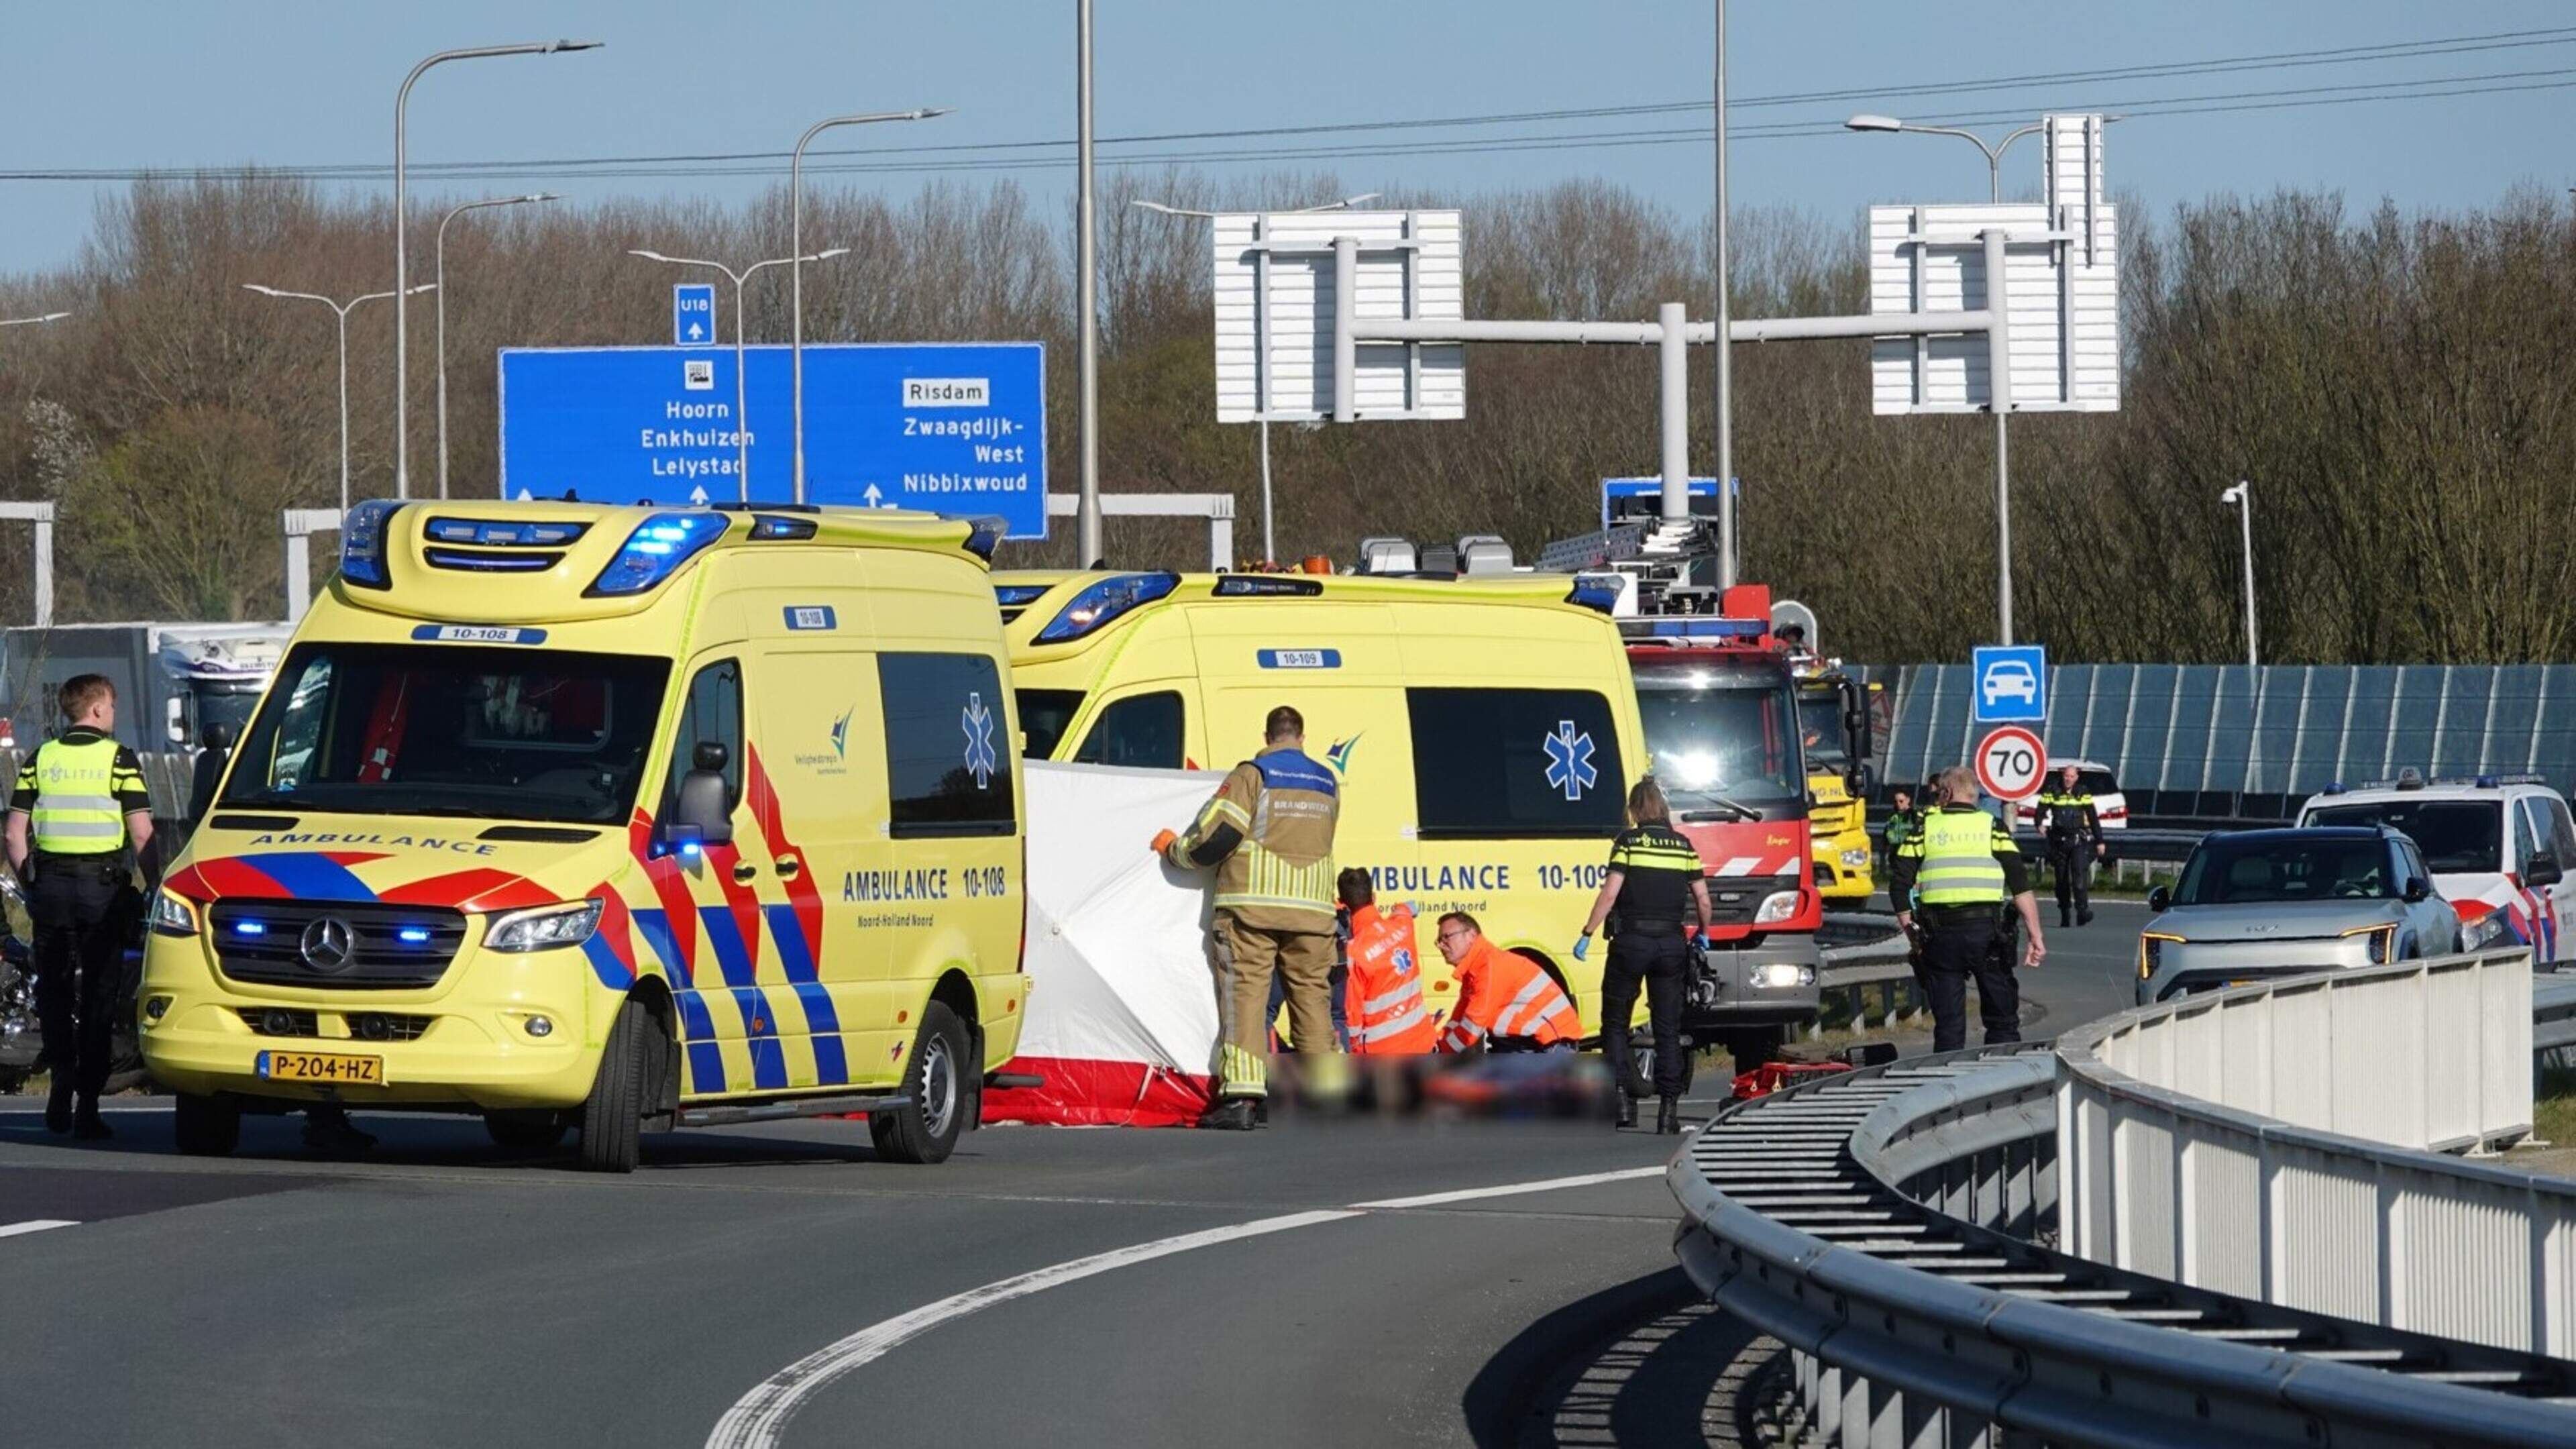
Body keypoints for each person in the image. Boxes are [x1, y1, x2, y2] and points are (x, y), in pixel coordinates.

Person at [1152, 704, 1340, 1130]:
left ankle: (1243, 1098)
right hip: (1313, 913)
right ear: (1302, 737)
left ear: (1268, 736)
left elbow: (1217, 836)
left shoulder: (1253, 775)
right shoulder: (1328, 782)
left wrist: (1174, 851)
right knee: (1312, 1001)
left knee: (1247, 1000)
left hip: (1253, 908)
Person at [4, 675, 152, 1140]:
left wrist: (31, 883)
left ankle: (59, 1077)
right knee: (98, 998)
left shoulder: (41, 758)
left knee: (53, 990)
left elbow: (13, 834)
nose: (113, 713)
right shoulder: (119, 759)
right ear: (95, 710)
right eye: (110, 705)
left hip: (50, 890)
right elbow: (143, 833)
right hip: (102, 893)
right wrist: (157, 888)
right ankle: (87, 1104)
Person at [1574, 777, 1711, 1134]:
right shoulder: (1683, 846)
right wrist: (1704, 934)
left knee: (1615, 1023)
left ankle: (1621, 1100)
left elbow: (1609, 894)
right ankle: (1669, 1111)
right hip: (1671, 944)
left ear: (1635, 809)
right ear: (1663, 809)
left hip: (1631, 941)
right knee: (1668, 1028)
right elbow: (1703, 900)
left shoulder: (1628, 843)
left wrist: (1588, 933)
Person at [1889, 765, 2047, 1052]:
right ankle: (2003, 1078)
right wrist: (2036, 935)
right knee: (2002, 1020)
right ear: (1973, 794)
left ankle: (1949, 1086)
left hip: (1940, 936)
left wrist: (1913, 935)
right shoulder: (1992, 826)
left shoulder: (1925, 828)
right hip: (1988, 935)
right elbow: (2020, 884)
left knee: (1948, 1026)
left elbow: (1899, 886)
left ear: (1946, 792)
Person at [1434, 912, 1580, 1056]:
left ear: (1472, 935)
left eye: (1447, 937)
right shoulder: (1474, 972)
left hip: (1550, 1045)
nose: (1441, 945)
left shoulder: (1490, 966)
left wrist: (1439, 1050)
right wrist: (1437, 1042)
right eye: (1439, 940)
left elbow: (1472, 1027)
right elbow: (1459, 1020)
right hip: (1525, 1043)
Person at [1337, 869, 1436, 1055]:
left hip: (1384, 1050)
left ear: (1344, 905)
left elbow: (1353, 1016)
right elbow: (1407, 909)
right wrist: (1401, 907)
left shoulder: (1354, 952)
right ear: (1373, 897)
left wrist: (1356, 1050)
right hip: (1424, 1040)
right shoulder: (1403, 925)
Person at [2033, 765, 2104, 928]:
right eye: (2066, 776)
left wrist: (2100, 840)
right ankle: (2065, 912)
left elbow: (2093, 817)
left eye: (2072, 777)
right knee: (2062, 881)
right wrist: (2039, 824)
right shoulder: (2052, 791)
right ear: (2062, 776)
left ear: (2077, 778)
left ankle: (2082, 911)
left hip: (2078, 841)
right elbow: (2040, 810)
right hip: (2058, 842)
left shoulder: (2083, 792)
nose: (2068, 779)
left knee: (2079, 876)